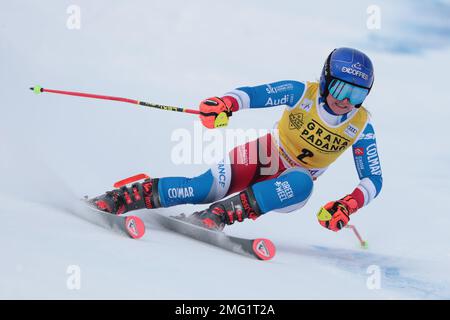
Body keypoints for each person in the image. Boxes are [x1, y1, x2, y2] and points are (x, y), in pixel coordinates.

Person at [90, 47, 383, 232]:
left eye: (358, 94)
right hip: (265, 155)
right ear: (326, 80)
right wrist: (226, 103)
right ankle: (122, 198)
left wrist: (348, 204)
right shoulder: (301, 92)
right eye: (342, 89)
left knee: (303, 182)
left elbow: (373, 178)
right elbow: (256, 95)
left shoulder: (361, 125)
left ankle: (218, 215)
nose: (346, 100)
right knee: (202, 187)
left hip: (291, 185)